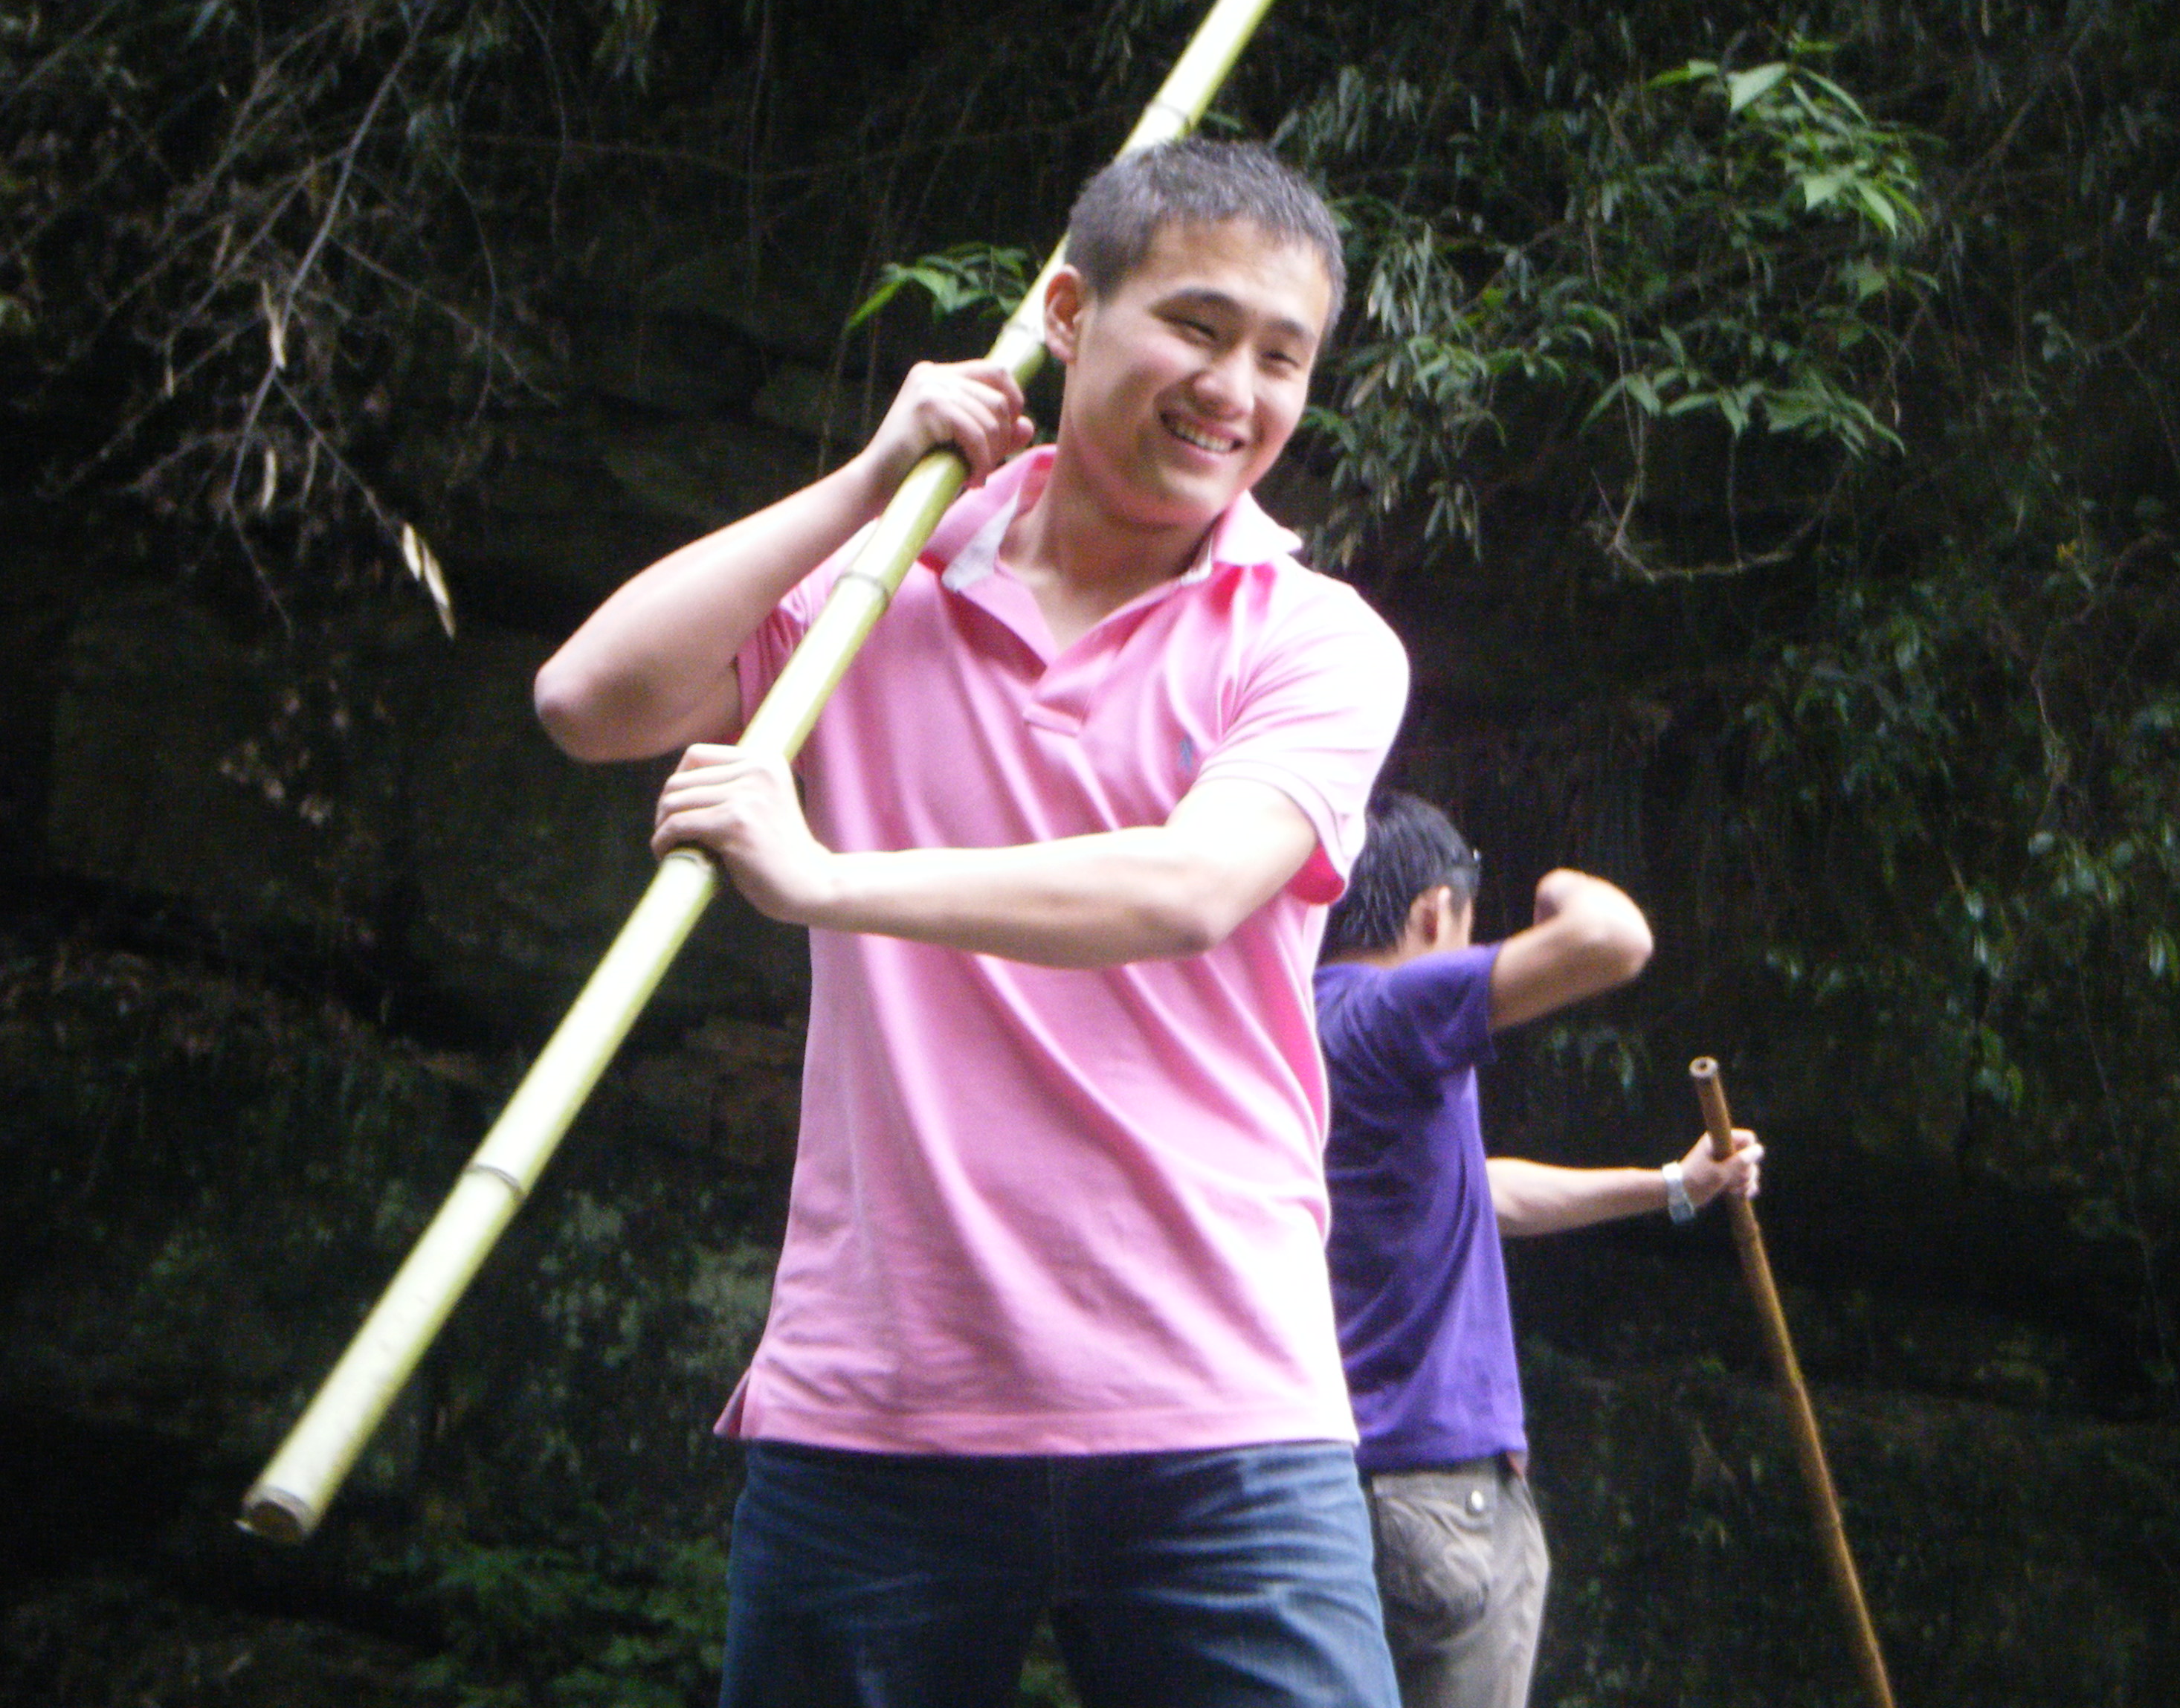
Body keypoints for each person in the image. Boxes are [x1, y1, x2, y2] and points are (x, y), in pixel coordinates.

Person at [533, 140, 1410, 1708]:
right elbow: (590, 701)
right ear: (1069, 310)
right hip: (881, 1404)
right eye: (1199, 328)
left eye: (1283, 357)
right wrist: (872, 481)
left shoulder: (1316, 639)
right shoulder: (877, 592)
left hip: (1219, 1407)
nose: (1238, 391)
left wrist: (823, 881)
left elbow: (1187, 886)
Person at [1317, 790, 1764, 1708]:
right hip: (1436, 1494)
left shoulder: (1300, 1024)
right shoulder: (1394, 1002)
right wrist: (1558, 882)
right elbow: (1615, 937)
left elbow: (1487, 1190)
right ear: (1432, 914)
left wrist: (1672, 1187)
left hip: (1335, 1492)